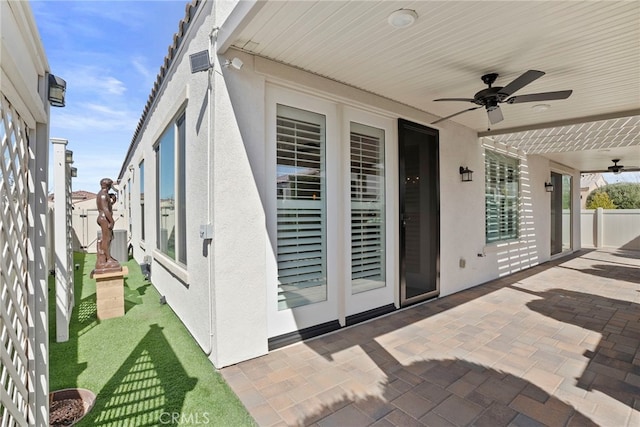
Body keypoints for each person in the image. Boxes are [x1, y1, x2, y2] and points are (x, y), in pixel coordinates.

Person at [95, 178, 121, 272]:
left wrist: (112, 200)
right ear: (109, 186)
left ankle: (107, 256)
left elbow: (108, 206)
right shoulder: (103, 195)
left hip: (104, 218)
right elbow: (105, 209)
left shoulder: (103, 194)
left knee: (108, 238)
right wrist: (112, 221)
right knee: (107, 239)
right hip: (104, 219)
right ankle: (107, 259)